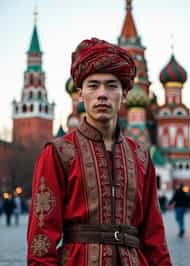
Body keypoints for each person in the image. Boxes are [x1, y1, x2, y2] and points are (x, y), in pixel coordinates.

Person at [27, 38, 172, 265]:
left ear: (124, 95)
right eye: (93, 85)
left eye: (112, 86)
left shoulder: (142, 157)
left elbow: (155, 235)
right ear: (81, 95)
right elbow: (41, 237)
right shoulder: (58, 152)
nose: (102, 94)